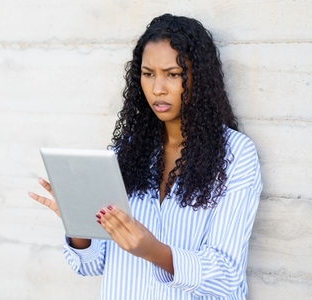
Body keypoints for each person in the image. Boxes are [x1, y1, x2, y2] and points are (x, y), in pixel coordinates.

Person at [28, 13, 262, 300]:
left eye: (173, 74)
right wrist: (79, 226)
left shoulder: (236, 155)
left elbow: (227, 278)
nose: (157, 88)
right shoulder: (125, 152)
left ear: (198, 78)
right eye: (148, 73)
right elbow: (93, 264)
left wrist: (156, 253)